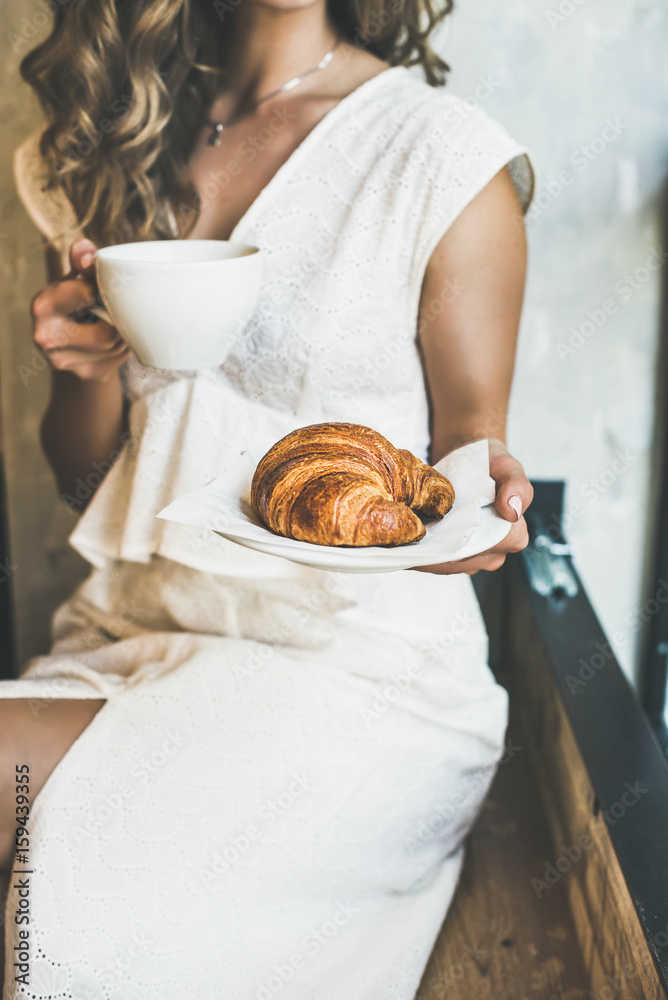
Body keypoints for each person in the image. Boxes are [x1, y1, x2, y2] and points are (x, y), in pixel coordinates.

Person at [1, 0, 535, 995]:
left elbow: (468, 451)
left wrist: (482, 501)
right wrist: (82, 371)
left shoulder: (439, 162)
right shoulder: (105, 140)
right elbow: (82, 480)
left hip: (360, 681)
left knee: (82, 910)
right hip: (134, 638)